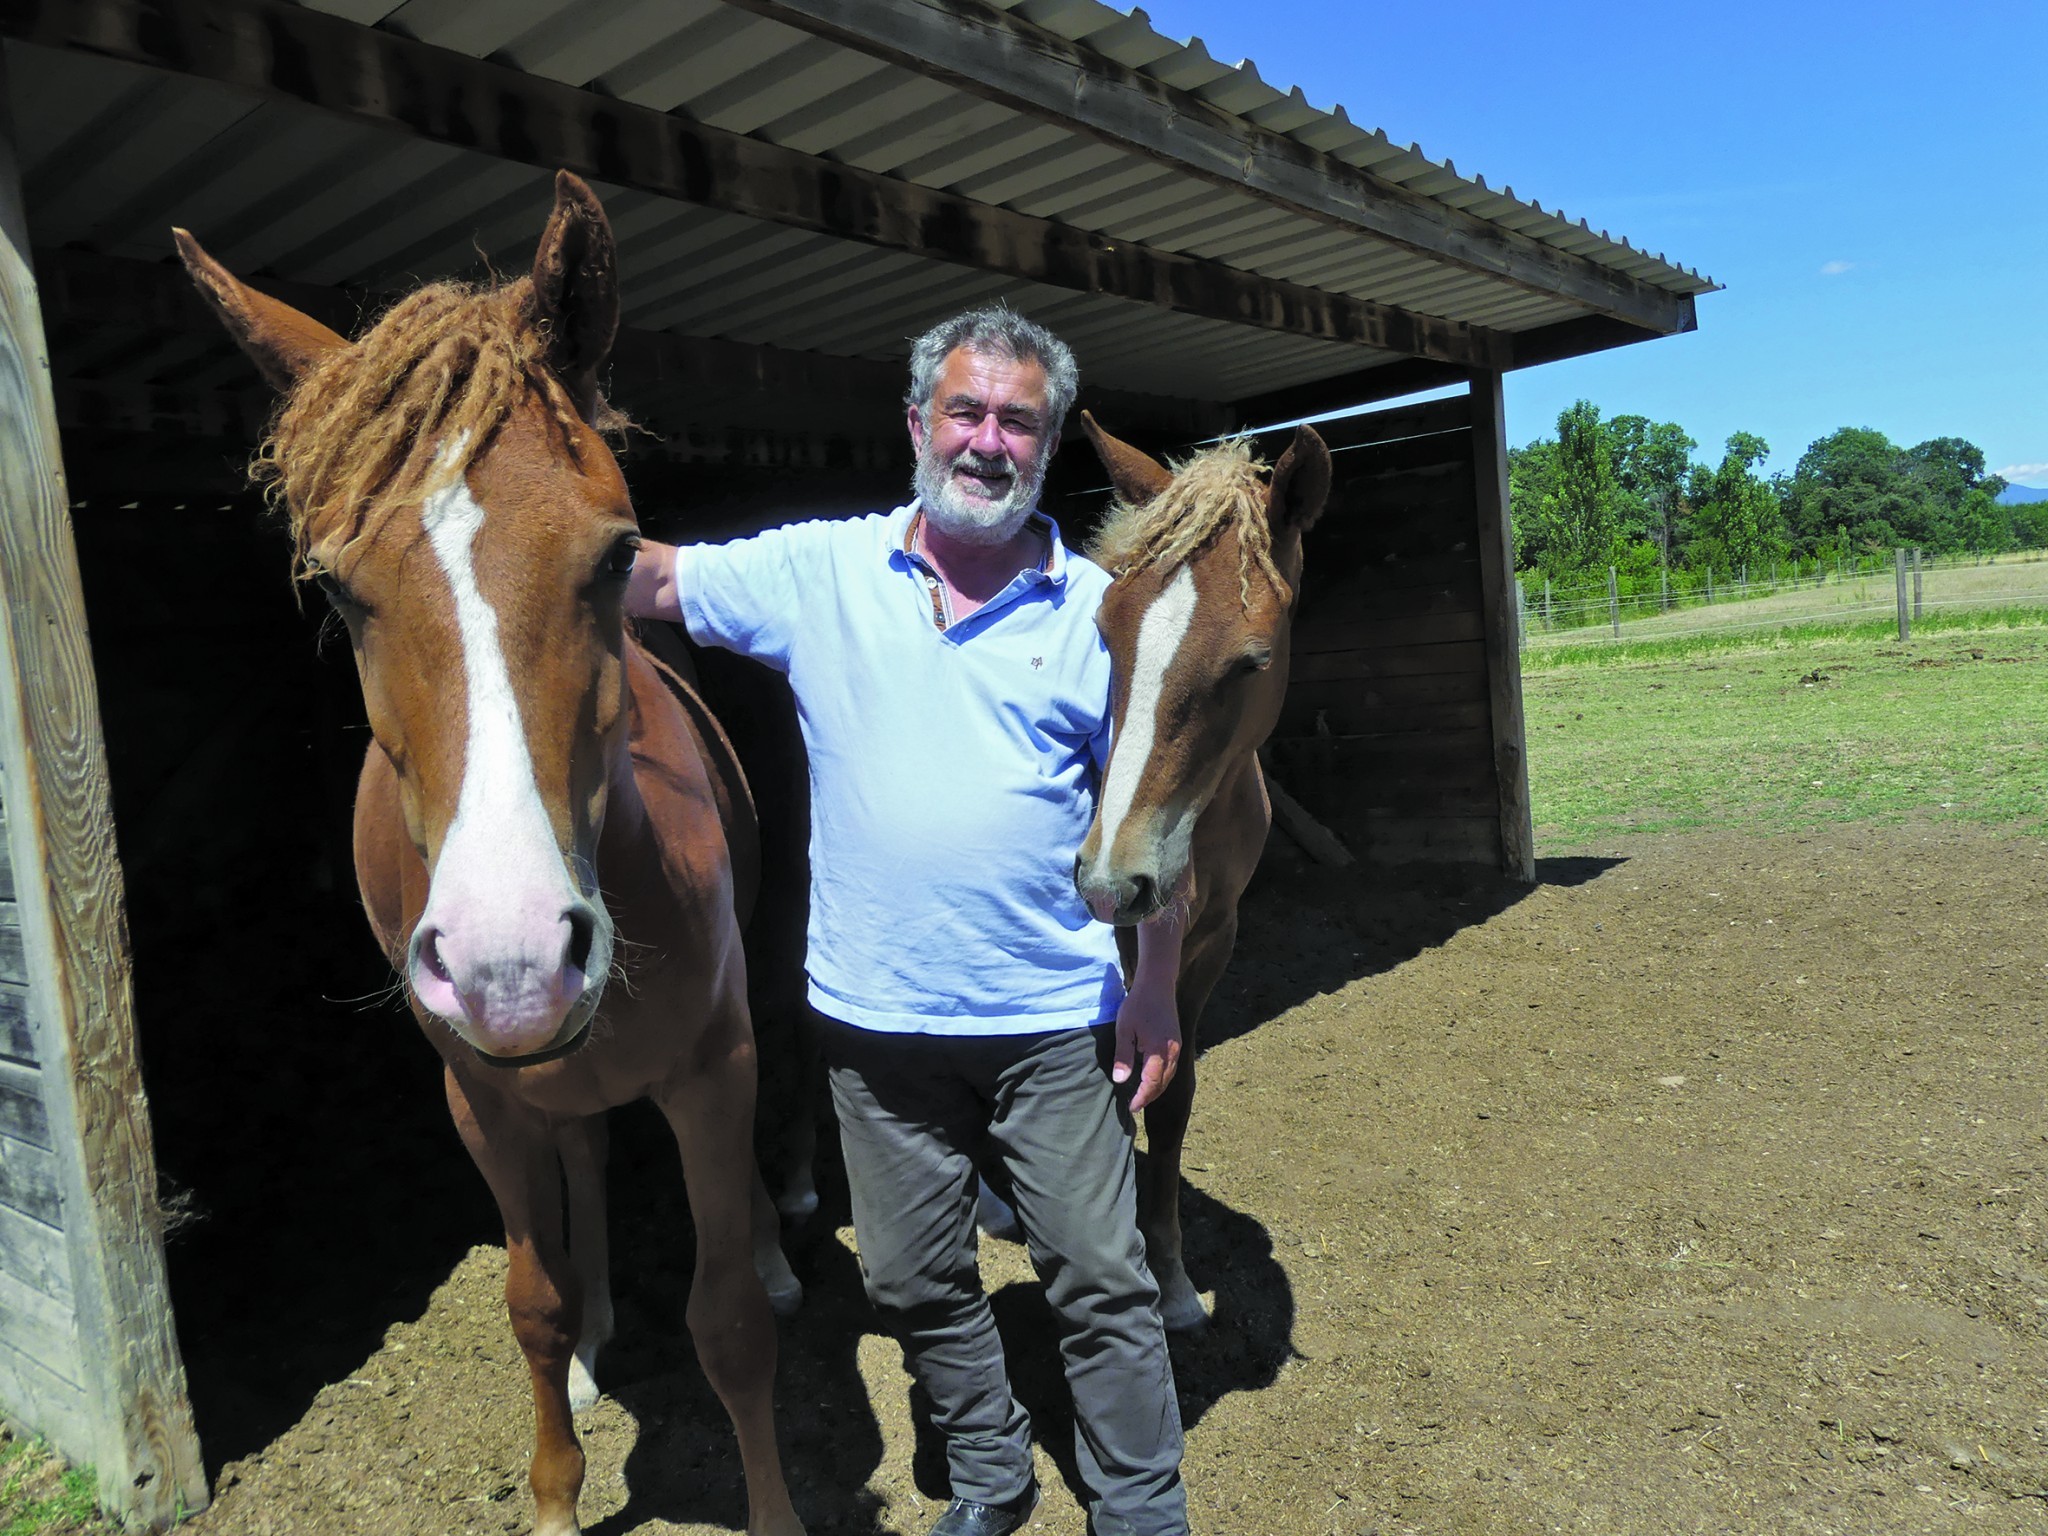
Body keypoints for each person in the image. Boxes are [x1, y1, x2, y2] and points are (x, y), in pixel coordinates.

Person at [624, 303, 1189, 1536]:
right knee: (909, 1276)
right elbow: (649, 576)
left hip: (1051, 1014)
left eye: (1018, 422)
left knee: (1098, 1278)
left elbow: (1157, 821)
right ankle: (990, 1477)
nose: (988, 442)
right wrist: (481, 507)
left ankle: (1141, 1509)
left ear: (1045, 450)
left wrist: (1153, 990)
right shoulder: (823, 572)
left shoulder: (1107, 615)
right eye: (967, 411)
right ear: (919, 422)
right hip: (873, 1022)